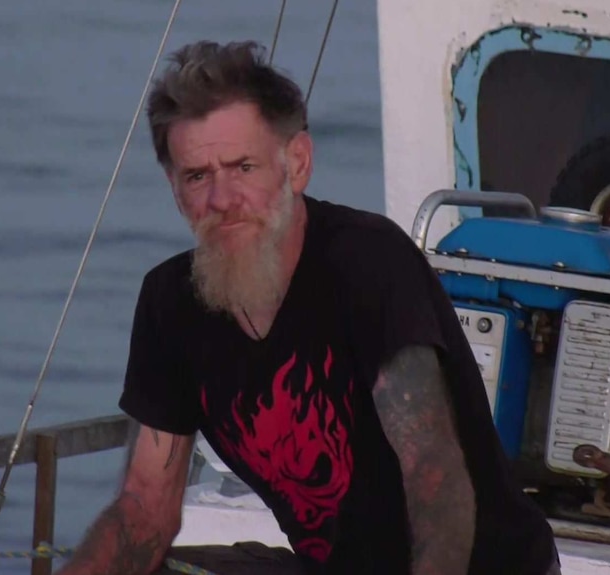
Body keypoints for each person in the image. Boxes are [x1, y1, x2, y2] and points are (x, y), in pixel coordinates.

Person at [55, 40, 560, 575]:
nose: (222, 200)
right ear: (174, 188)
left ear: (296, 164)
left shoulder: (367, 261)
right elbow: (144, 512)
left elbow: (431, 474)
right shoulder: (169, 304)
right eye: (197, 176)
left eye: (243, 166)